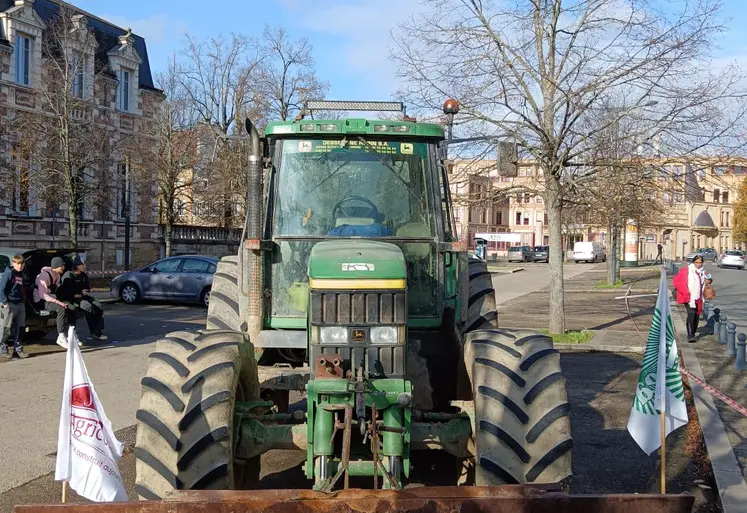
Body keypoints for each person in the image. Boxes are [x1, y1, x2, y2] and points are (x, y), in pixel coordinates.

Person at [58, 257, 107, 341]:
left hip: (82, 297)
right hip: (72, 299)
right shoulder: (68, 275)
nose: (84, 266)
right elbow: (67, 290)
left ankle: (97, 331)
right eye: (82, 264)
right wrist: (79, 292)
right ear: (76, 265)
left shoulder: (83, 275)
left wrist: (83, 292)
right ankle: (92, 331)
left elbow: (87, 288)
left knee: (99, 306)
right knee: (87, 306)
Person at [33, 256, 76, 349]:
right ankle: (61, 337)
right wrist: (59, 302)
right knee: (61, 309)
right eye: (62, 266)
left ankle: (72, 334)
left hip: (51, 297)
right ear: (56, 266)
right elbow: (43, 295)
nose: (63, 268)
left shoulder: (57, 275)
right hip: (41, 300)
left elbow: (55, 291)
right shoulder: (44, 276)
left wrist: (62, 300)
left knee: (71, 308)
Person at [0, 255, 29, 359]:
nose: (20, 265)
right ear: (13, 263)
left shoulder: (22, 274)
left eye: (21, 263)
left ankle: (18, 349)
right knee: (6, 328)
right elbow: (1, 288)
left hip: (20, 303)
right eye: (17, 263)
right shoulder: (8, 273)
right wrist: (4, 302)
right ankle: (3, 349)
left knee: (20, 328)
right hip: (9, 303)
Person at [673, 254, 705, 343]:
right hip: (688, 297)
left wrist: (709, 280)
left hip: (698, 297)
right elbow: (677, 281)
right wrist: (686, 292)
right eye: (696, 262)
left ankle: (693, 332)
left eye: (700, 262)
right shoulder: (686, 271)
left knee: (696, 316)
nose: (698, 264)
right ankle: (690, 335)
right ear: (693, 262)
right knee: (691, 313)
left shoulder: (702, 272)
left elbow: (706, 280)